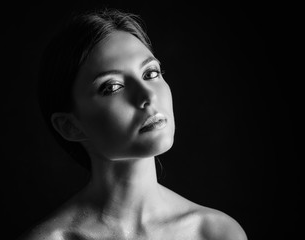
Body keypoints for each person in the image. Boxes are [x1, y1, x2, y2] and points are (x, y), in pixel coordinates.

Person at [20, 8, 247, 240]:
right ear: (70, 126)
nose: (147, 95)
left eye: (150, 73)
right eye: (112, 87)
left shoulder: (216, 233)